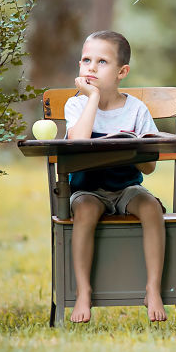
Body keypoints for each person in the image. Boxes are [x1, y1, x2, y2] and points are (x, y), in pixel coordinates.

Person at [63, 30, 167, 324]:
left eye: (102, 62)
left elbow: (149, 169)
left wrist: (138, 148)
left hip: (126, 189)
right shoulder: (76, 105)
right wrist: (93, 97)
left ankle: (153, 288)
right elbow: (79, 147)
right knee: (84, 210)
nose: (91, 67)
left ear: (122, 72)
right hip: (88, 190)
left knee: (151, 207)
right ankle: (84, 291)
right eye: (86, 60)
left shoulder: (136, 109)